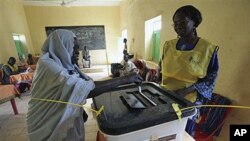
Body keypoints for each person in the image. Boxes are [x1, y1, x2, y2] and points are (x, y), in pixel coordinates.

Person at [26, 29, 142, 141]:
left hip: (53, 119)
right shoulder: (51, 69)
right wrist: (125, 79)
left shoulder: (60, 63)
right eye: (73, 48)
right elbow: (86, 89)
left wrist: (78, 110)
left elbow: (72, 89)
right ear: (61, 48)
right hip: (47, 126)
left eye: (78, 48)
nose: (78, 52)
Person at [158, 5, 219, 136]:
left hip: (188, 101)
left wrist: (184, 91)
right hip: (165, 97)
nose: (178, 26)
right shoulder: (168, 46)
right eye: (175, 23)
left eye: (183, 22)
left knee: (181, 134)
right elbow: (160, 69)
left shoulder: (207, 49)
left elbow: (210, 80)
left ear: (194, 23)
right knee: (163, 133)